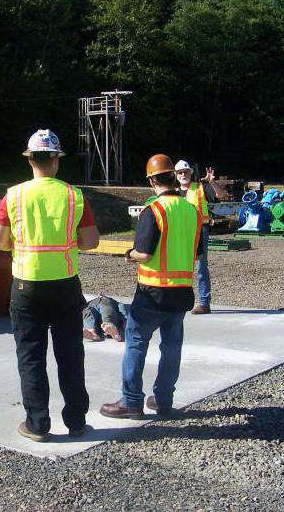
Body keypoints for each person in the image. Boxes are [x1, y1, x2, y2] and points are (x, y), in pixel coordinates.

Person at [0, 129, 100, 442]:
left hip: (26, 286)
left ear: (29, 159)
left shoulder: (13, 196)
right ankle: (77, 422)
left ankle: (37, 424)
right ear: (55, 159)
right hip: (65, 285)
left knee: (31, 357)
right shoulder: (73, 195)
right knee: (70, 355)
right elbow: (90, 241)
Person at [100, 154, 202, 420]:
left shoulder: (154, 210)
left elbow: (143, 253)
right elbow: (199, 253)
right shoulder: (191, 211)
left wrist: (128, 254)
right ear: (173, 177)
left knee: (135, 343)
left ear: (153, 180)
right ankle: (164, 400)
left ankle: (131, 402)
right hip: (181, 293)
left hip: (152, 293)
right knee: (171, 347)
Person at [174, 160, 225, 314]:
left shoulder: (201, 188)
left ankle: (204, 302)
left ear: (191, 173)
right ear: (176, 176)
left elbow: (221, 195)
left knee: (200, 267)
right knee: (179, 267)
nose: (183, 174)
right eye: (180, 172)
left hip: (199, 230)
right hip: (180, 232)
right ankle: (179, 300)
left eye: (186, 172)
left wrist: (212, 181)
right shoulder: (173, 193)